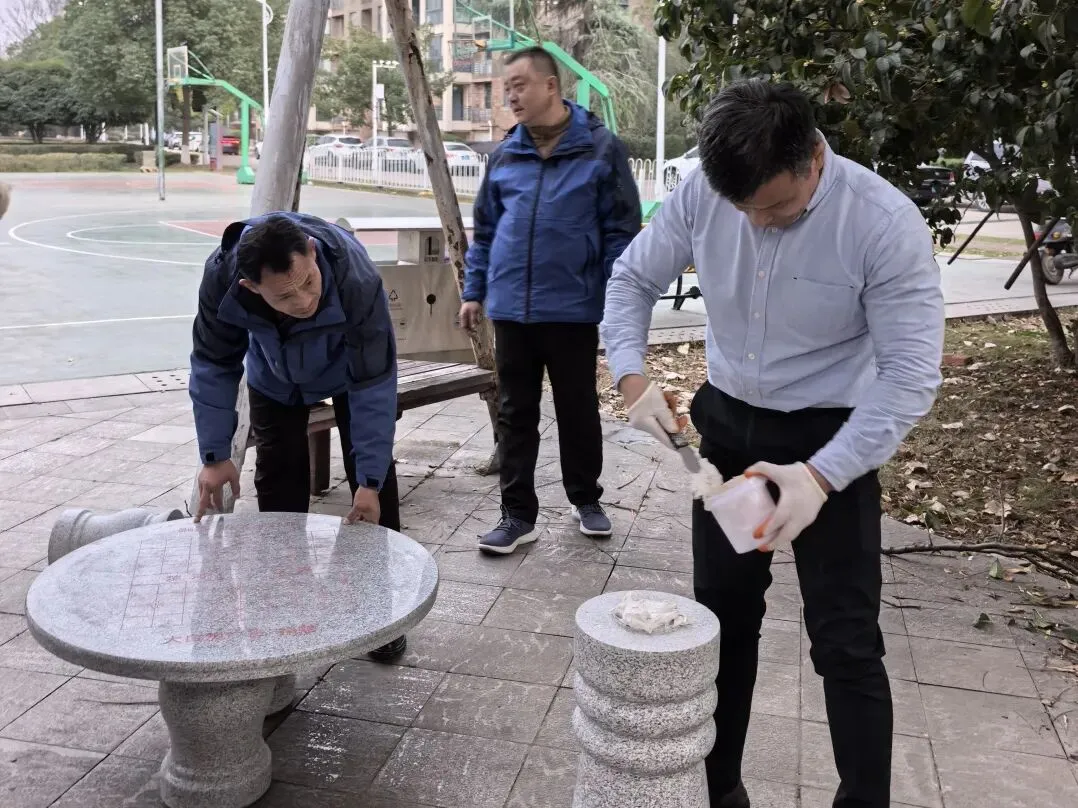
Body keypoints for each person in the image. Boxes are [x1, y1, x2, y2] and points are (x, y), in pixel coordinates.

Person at [601, 80, 944, 808]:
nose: (757, 224)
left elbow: (910, 375)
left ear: (814, 157)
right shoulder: (703, 192)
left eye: (777, 207)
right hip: (728, 435)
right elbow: (631, 280)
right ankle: (719, 792)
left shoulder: (881, 222)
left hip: (832, 438)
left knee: (846, 641)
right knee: (722, 625)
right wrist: (632, 380)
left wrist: (820, 478)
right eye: (743, 210)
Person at [189, 212, 407, 660]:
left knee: (375, 490)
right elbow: (213, 364)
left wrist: (368, 481)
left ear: (311, 250)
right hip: (274, 376)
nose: (305, 300)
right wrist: (214, 455)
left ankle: (379, 616)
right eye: (286, 295)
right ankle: (286, 611)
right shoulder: (223, 281)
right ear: (251, 288)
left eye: (309, 282)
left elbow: (373, 383)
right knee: (279, 485)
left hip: (348, 371)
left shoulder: (354, 276)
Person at [459, 46, 641, 555]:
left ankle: (586, 499)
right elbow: (486, 232)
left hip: (573, 308)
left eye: (519, 85)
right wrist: (474, 292)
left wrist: (614, 296)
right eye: (507, 88)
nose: (511, 97)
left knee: (577, 408)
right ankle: (517, 515)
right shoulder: (504, 155)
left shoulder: (600, 150)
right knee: (516, 413)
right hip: (511, 309)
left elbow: (621, 231)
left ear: (550, 86)